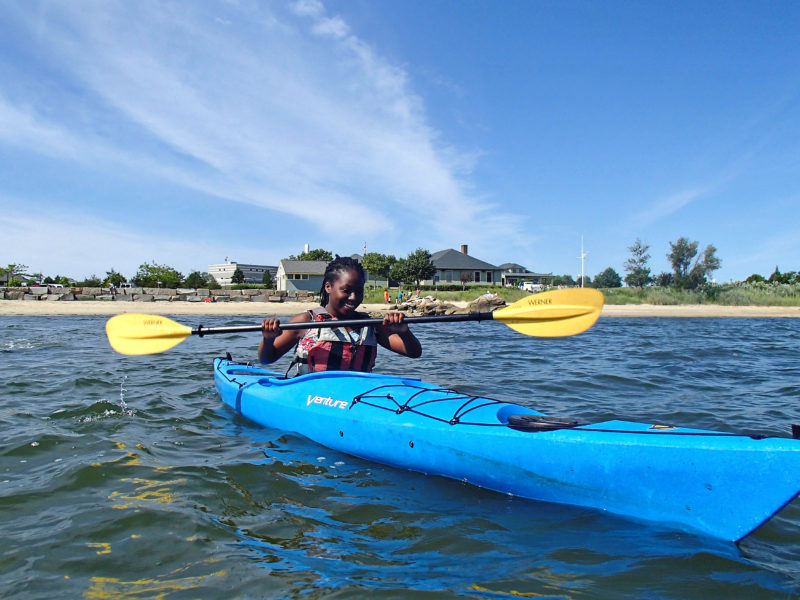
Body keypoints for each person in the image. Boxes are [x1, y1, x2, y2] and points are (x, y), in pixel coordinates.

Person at [259, 256, 421, 375]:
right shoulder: (306, 322)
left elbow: (414, 353)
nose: (353, 297)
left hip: (356, 397)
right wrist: (268, 338)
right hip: (312, 397)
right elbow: (267, 359)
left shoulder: (371, 325)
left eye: (359, 292)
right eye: (346, 290)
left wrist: (404, 332)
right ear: (328, 287)